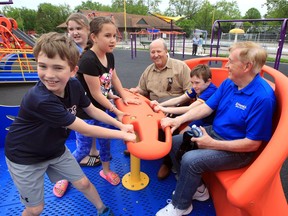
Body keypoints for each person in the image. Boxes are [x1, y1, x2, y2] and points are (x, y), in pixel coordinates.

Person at [4, 32, 136, 216]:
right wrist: (122, 134)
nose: (49, 75)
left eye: (58, 68)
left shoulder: (74, 85)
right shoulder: (40, 99)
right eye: (42, 66)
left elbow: (91, 109)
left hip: (54, 149)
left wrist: (120, 124)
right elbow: (86, 129)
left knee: (83, 182)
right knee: (35, 208)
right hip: (25, 157)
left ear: (73, 70)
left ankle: (102, 209)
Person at [156, 41, 276, 216]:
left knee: (191, 160)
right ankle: (198, 189)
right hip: (215, 133)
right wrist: (178, 120)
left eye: (230, 62)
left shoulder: (263, 98)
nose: (226, 65)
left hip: (238, 149)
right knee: (174, 143)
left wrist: (211, 144)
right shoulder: (230, 83)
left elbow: (252, 144)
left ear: (246, 66)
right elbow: (206, 107)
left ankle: (181, 206)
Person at [74, 16, 140, 187]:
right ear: (94, 37)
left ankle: (106, 170)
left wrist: (125, 97)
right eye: (107, 36)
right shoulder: (88, 60)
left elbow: (114, 77)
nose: (112, 40)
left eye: (114, 36)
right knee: (83, 148)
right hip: (85, 112)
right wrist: (115, 110)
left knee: (105, 143)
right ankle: (66, 175)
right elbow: (95, 94)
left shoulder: (108, 55)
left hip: (102, 110)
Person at [53, 13, 100, 198]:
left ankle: (94, 152)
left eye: (78, 28)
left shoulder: (91, 51)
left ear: (88, 30)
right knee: (81, 145)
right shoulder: (69, 52)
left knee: (95, 131)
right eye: (70, 29)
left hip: (91, 102)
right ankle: (63, 177)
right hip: (79, 105)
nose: (74, 32)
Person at [151, 64, 217, 180]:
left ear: (208, 81)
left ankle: (183, 165)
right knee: (179, 132)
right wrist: (160, 104)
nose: (193, 86)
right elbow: (181, 98)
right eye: (192, 82)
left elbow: (190, 109)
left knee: (183, 137)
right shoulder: (199, 87)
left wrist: (164, 109)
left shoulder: (211, 91)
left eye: (197, 82)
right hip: (201, 118)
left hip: (209, 123)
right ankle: (173, 160)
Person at [127, 38, 192, 156]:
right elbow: (143, 90)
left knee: (164, 120)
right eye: (152, 52)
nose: (156, 55)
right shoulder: (149, 70)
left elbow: (190, 93)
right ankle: (139, 142)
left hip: (176, 105)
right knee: (134, 115)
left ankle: (167, 160)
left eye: (159, 51)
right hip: (155, 105)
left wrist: (173, 105)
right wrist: (136, 90)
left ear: (166, 51)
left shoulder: (180, 67)